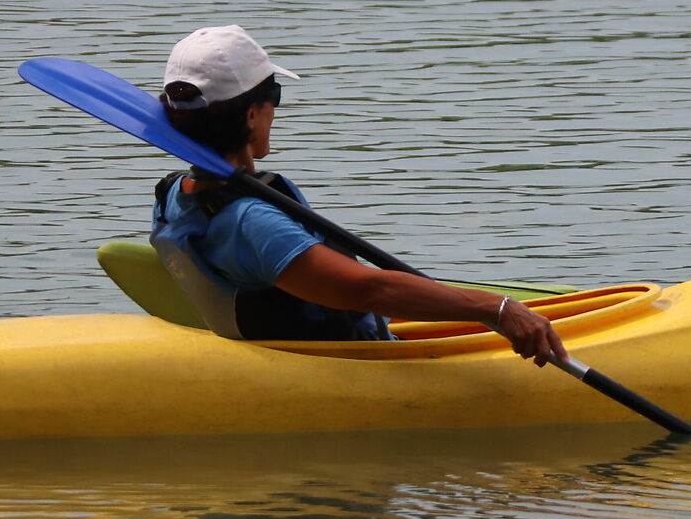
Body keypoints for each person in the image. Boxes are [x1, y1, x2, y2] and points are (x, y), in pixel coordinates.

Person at [146, 25, 569, 365]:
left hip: (287, 353)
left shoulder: (172, 195)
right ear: (252, 113)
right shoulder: (252, 223)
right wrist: (496, 308)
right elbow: (369, 290)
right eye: (273, 95)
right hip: (350, 365)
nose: (276, 108)